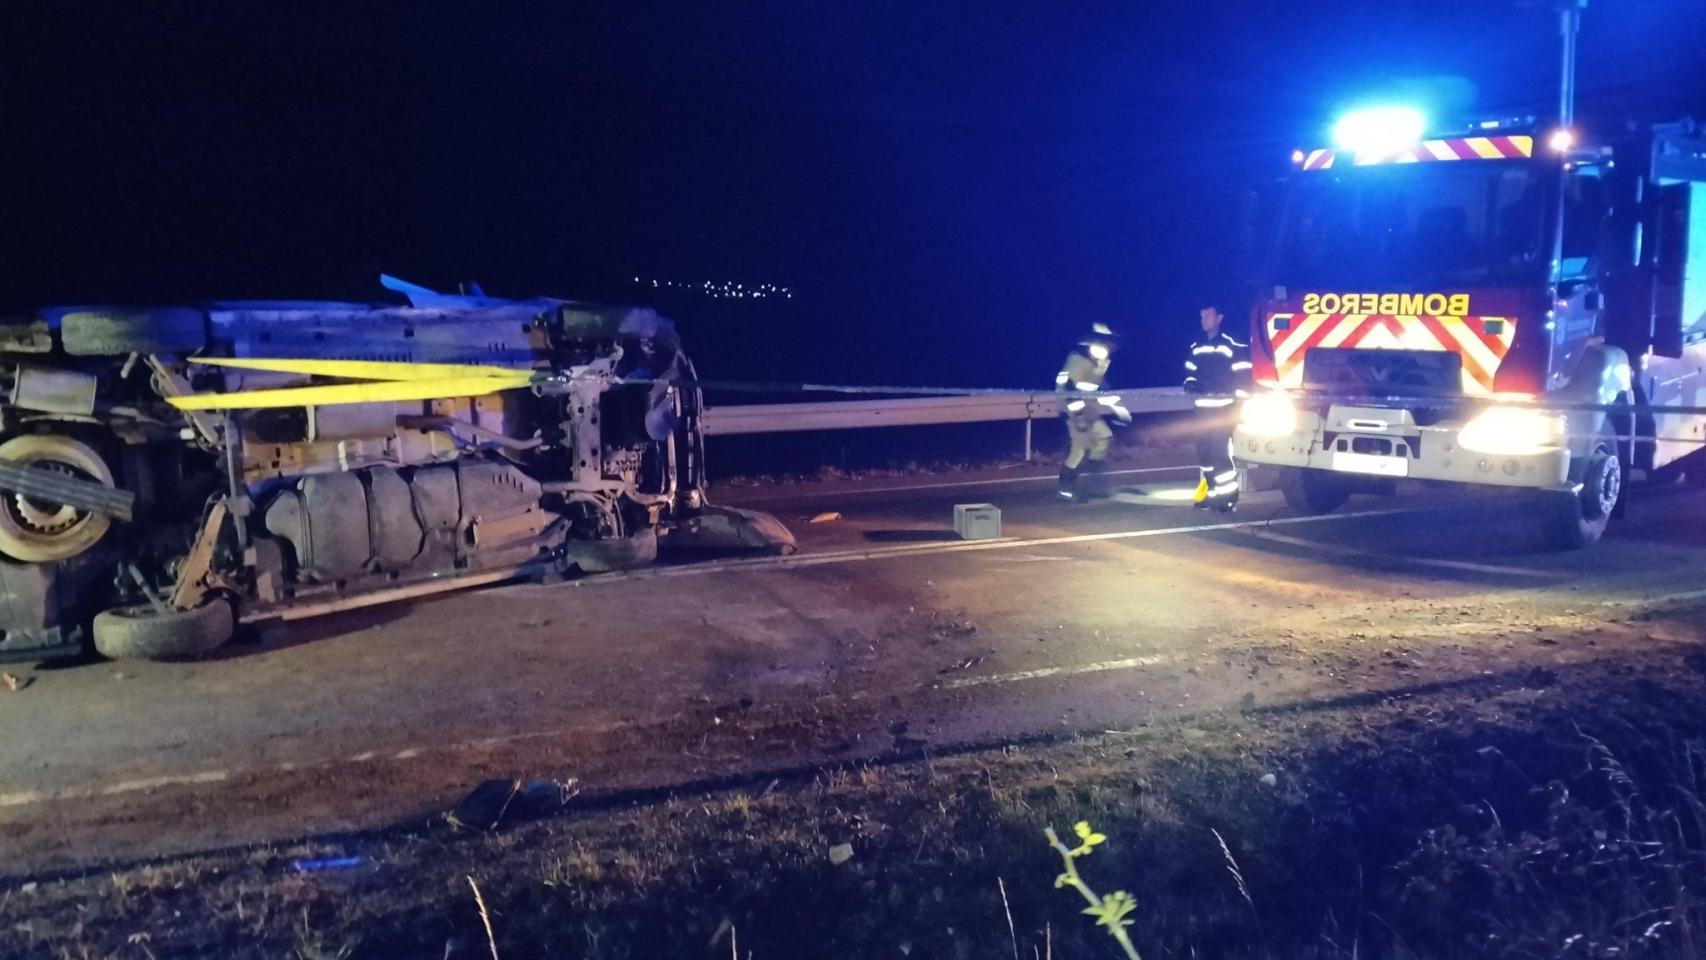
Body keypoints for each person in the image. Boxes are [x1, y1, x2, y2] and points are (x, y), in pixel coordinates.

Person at [1182, 305, 1252, 511]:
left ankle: (1228, 499)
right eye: (1201, 316)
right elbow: (1189, 370)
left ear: (1219, 318)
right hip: (1202, 409)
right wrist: (1190, 382)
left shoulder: (1230, 345)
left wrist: (1235, 399)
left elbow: (1243, 376)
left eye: (1208, 316)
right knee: (1204, 455)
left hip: (1223, 410)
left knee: (1219, 454)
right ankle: (1210, 495)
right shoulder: (1197, 346)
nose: (1203, 320)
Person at [1055, 323, 1129, 500]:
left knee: (1103, 438)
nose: (1111, 348)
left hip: (1089, 411)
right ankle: (1066, 489)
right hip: (1073, 412)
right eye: (1107, 343)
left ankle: (1094, 483)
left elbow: (1100, 390)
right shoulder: (1078, 359)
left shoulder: (1098, 362)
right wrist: (1078, 416)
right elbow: (1068, 390)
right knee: (1079, 449)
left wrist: (1119, 410)